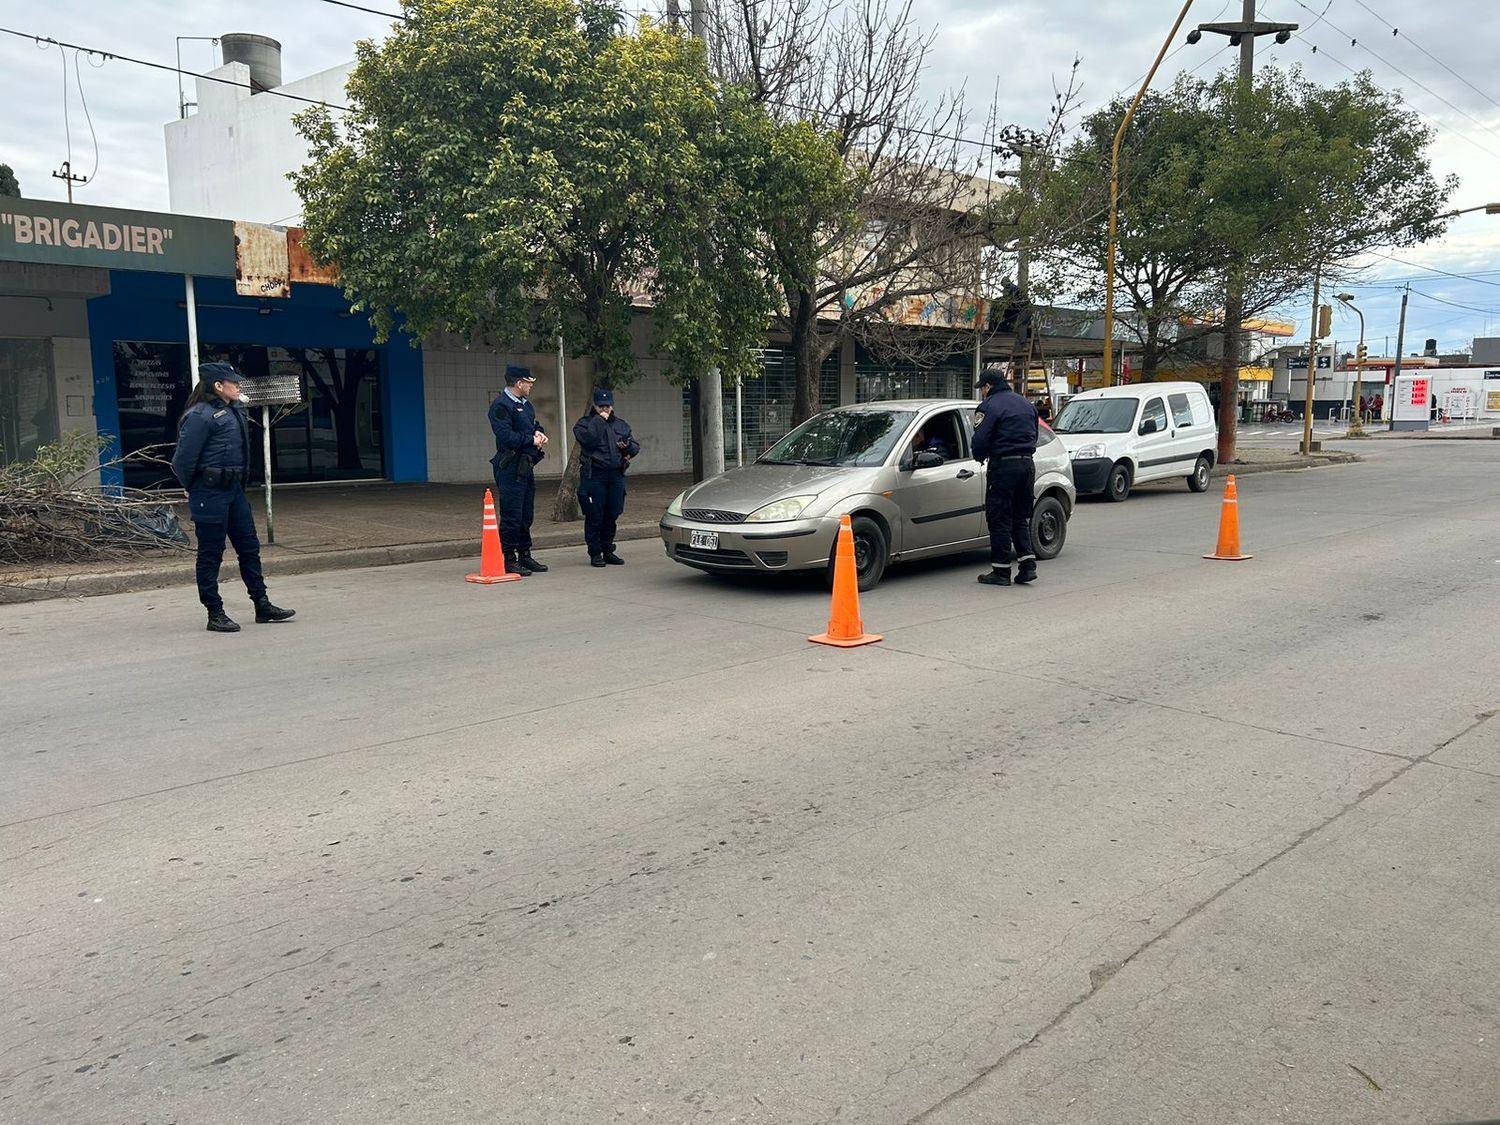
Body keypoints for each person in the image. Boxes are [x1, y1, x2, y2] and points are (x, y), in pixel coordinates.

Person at [170, 362, 295, 633]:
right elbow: (182, 460)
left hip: (234, 491)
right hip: (209, 491)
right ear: (218, 385)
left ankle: (262, 604)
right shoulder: (200, 416)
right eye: (233, 382)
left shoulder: (233, 411)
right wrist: (190, 485)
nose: (239, 385)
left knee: (249, 547)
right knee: (211, 554)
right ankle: (214, 613)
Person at [971, 368, 1040, 587]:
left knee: (999, 517)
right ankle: (1028, 566)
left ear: (988, 386)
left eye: (982, 388)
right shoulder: (1026, 404)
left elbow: (980, 440)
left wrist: (980, 457)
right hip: (1027, 465)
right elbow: (1035, 434)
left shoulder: (989, 406)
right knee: (1020, 517)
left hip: (1004, 467)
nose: (982, 392)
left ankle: (1001, 572)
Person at [488, 364, 550, 576]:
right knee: (512, 514)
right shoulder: (501, 406)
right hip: (510, 465)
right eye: (528, 382)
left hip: (525, 464)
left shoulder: (526, 404)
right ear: (518, 383)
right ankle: (508, 558)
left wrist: (539, 434)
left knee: (526, 513)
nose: (531, 385)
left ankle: (525, 554)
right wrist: (530, 439)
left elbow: (532, 426)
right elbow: (506, 436)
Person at [573, 388, 641, 567]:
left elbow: (634, 446)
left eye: (608, 406)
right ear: (594, 406)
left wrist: (627, 447)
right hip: (594, 475)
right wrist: (599, 420)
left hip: (615, 475)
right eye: (601, 406)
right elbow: (589, 440)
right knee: (595, 515)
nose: (605, 409)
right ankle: (595, 552)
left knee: (612, 513)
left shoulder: (620, 424)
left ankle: (608, 549)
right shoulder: (584, 424)